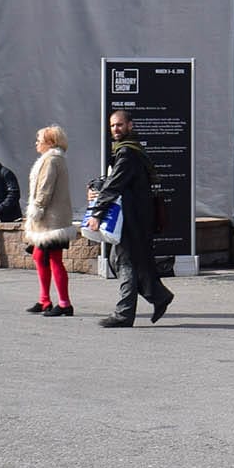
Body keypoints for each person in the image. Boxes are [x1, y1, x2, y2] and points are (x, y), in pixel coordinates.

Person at [87, 110, 173, 328]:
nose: (115, 129)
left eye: (120, 125)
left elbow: (115, 184)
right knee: (124, 261)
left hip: (133, 217)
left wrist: (97, 213)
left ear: (130, 126)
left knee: (124, 262)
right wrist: (96, 186)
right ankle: (158, 295)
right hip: (134, 215)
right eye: (113, 126)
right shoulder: (127, 151)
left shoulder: (127, 153)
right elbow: (115, 180)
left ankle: (125, 314)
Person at [23, 125, 76, 316]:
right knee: (39, 256)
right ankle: (44, 300)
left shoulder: (52, 160)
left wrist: (36, 209)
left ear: (50, 142)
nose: (36, 143)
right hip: (49, 219)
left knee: (54, 259)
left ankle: (64, 304)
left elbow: (45, 188)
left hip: (51, 220)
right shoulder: (52, 159)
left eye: (39, 140)